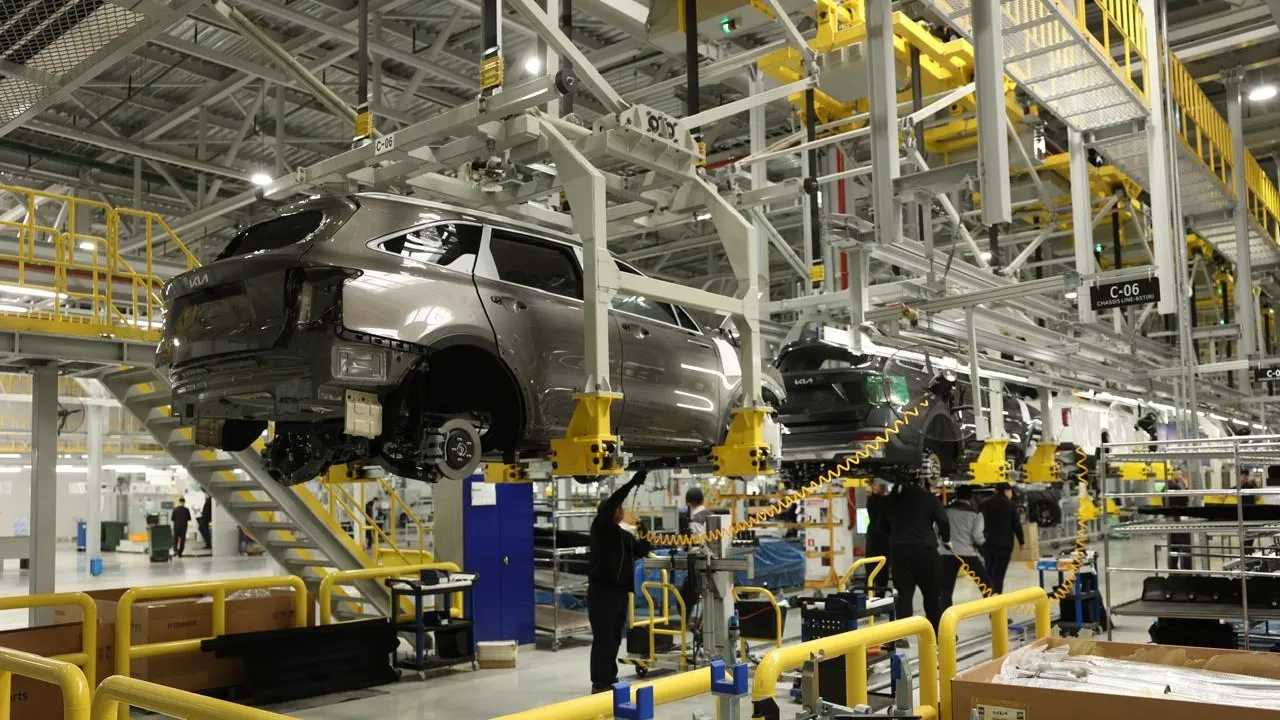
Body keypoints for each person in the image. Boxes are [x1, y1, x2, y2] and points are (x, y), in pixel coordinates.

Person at [588, 470, 652, 694]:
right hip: (602, 593)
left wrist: (644, 533)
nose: (621, 509)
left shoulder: (623, 535)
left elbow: (641, 550)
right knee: (603, 638)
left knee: (615, 637)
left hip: (620, 593)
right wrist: (632, 482)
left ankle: (610, 678)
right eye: (618, 507)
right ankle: (599, 682)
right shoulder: (601, 528)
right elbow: (614, 500)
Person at [882, 479, 949, 631]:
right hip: (926, 551)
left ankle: (902, 635)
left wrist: (896, 538)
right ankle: (936, 632)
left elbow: (882, 525)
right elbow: (943, 520)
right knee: (932, 594)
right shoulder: (930, 499)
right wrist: (946, 539)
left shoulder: (892, 500)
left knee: (904, 595)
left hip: (900, 552)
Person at [937, 485, 989, 610]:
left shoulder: (946, 511)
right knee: (986, 586)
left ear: (956, 495)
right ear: (971, 497)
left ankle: (945, 618)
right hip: (968, 554)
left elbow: (937, 531)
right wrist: (986, 544)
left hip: (947, 554)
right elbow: (977, 537)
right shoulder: (975, 514)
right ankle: (996, 616)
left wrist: (941, 547)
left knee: (945, 590)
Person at [980, 482, 1024, 594]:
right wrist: (1021, 541)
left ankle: (987, 595)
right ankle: (997, 597)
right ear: (1007, 491)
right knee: (999, 574)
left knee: (989, 570)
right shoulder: (1010, 504)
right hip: (1004, 544)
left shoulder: (985, 503)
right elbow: (1016, 524)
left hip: (987, 543)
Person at [864, 479, 892, 592]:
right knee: (873, 570)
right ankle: (871, 593)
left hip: (881, 539)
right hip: (878, 539)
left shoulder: (878, 500)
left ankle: (878, 593)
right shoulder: (874, 501)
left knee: (881, 570)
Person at [1165, 473, 1192, 570]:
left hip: (1170, 520)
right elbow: (1187, 499)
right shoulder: (1175, 487)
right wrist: (1186, 484)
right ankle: (1188, 570)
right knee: (1185, 547)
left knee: (1173, 546)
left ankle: (1173, 569)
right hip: (1180, 519)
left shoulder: (1164, 487)